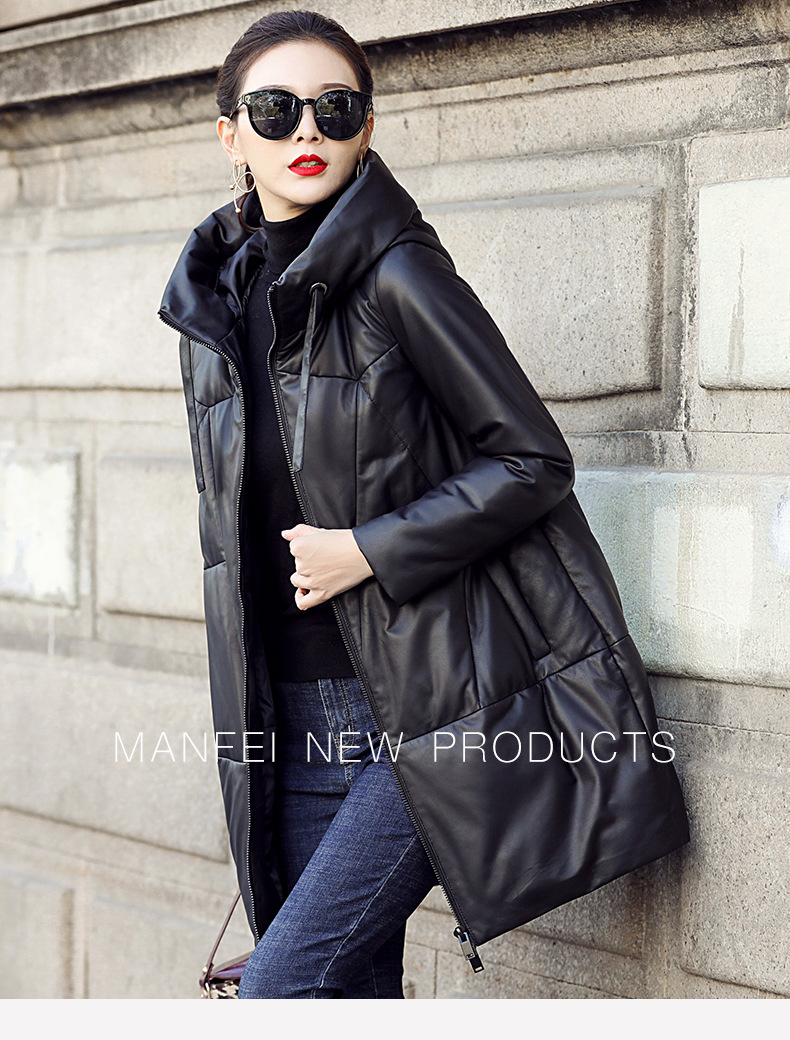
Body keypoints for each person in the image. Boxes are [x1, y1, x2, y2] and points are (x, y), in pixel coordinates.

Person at [159, 8, 690, 1000]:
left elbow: (532, 459)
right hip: (290, 707)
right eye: (275, 110)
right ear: (230, 135)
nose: (307, 130)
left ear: (367, 127)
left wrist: (370, 548)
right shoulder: (216, 305)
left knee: (280, 989)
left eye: (335, 108)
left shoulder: (398, 274)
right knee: (350, 995)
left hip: (427, 704)